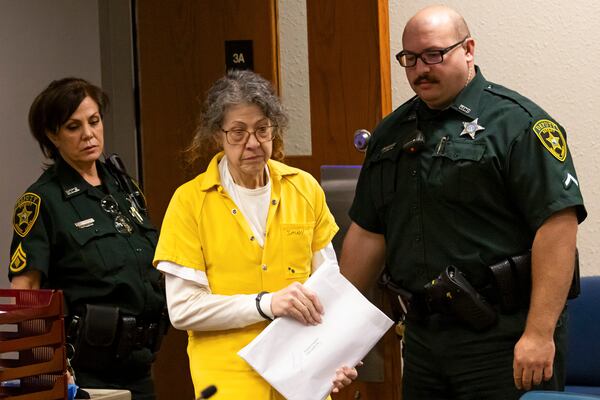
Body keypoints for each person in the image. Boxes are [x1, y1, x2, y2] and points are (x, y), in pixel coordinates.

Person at [340, 5, 586, 400]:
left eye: (435, 54)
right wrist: (337, 334)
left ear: (468, 49)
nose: (421, 68)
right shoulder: (391, 133)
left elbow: (558, 227)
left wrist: (539, 333)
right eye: (410, 59)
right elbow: (369, 234)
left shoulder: (518, 124)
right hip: (424, 340)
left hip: (503, 338)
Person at [153, 69, 358, 399]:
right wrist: (266, 304)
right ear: (217, 135)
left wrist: (338, 358)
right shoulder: (189, 202)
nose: (252, 143)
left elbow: (329, 287)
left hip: (303, 378)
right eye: (237, 132)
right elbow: (183, 309)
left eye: (262, 130)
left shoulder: (303, 188)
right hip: (229, 383)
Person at [8, 78, 167, 400]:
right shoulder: (43, 200)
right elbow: (25, 293)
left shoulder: (125, 188)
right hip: (83, 371)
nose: (88, 134)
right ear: (52, 136)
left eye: (94, 121)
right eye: (73, 127)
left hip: (139, 364)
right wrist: (46, 369)